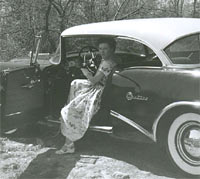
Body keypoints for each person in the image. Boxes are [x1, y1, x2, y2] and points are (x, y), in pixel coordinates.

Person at [55, 37, 117, 154]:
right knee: (75, 83)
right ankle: (70, 104)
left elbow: (94, 80)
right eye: (100, 49)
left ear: (112, 49)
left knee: (68, 111)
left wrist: (85, 71)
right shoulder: (113, 60)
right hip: (102, 86)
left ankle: (69, 145)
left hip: (98, 91)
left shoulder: (106, 63)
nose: (102, 51)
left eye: (105, 49)